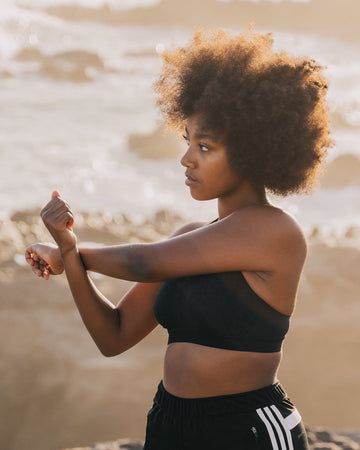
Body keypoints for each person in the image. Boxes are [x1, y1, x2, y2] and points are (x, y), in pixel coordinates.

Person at [25, 28, 332, 450]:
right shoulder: (189, 240)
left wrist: (72, 252)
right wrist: (69, 254)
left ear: (252, 151)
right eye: (188, 141)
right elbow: (112, 336)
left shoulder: (275, 231)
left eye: (205, 146)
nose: (186, 157)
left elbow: (143, 263)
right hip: (172, 422)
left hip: (249, 428)